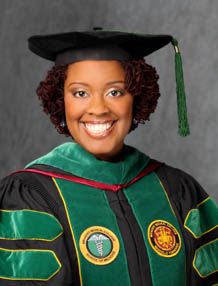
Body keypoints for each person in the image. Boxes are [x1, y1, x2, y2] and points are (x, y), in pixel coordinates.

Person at [0, 27, 217, 286]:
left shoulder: (177, 190)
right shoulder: (32, 195)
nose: (99, 109)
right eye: (80, 93)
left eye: (115, 92)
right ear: (60, 100)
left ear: (137, 97)